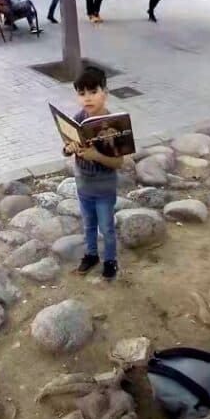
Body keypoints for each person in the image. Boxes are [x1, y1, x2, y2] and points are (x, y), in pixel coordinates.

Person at [63, 67, 125, 280]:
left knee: (107, 228)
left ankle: (110, 260)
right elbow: (65, 147)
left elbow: (118, 162)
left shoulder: (115, 124)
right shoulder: (77, 118)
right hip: (83, 186)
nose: (87, 98)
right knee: (88, 224)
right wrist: (68, 149)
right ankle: (91, 255)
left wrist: (95, 156)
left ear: (105, 92)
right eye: (82, 94)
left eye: (93, 92)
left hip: (104, 188)